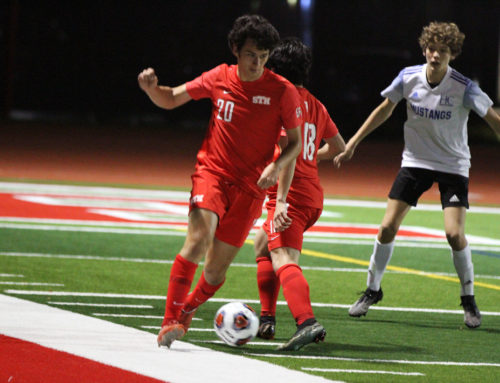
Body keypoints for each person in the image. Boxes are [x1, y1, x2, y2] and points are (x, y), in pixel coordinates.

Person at [138, 15, 304, 348]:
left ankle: (186, 310)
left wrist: (276, 165)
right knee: (198, 239)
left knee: (214, 273)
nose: (257, 62)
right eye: (251, 54)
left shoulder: (282, 91)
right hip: (212, 174)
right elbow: (171, 98)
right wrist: (151, 89)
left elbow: (296, 144)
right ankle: (169, 320)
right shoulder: (219, 77)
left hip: (251, 189)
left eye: (263, 56)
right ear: (236, 51)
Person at [334, 21, 500, 329]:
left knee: (454, 234)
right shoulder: (408, 78)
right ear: (424, 48)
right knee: (386, 227)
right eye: (432, 49)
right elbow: (385, 108)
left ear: (453, 54)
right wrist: (353, 142)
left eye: (443, 51)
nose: (435, 55)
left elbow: (492, 119)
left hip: (453, 165)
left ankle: (468, 298)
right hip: (415, 161)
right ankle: (372, 290)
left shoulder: (464, 87)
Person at [254, 38, 345, 351]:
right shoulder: (316, 104)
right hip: (312, 194)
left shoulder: (283, 99)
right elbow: (338, 147)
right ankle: (267, 319)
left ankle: (306, 322)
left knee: (283, 257)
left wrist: (280, 200)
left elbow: (286, 153)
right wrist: (310, 156)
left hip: (290, 193)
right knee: (263, 244)